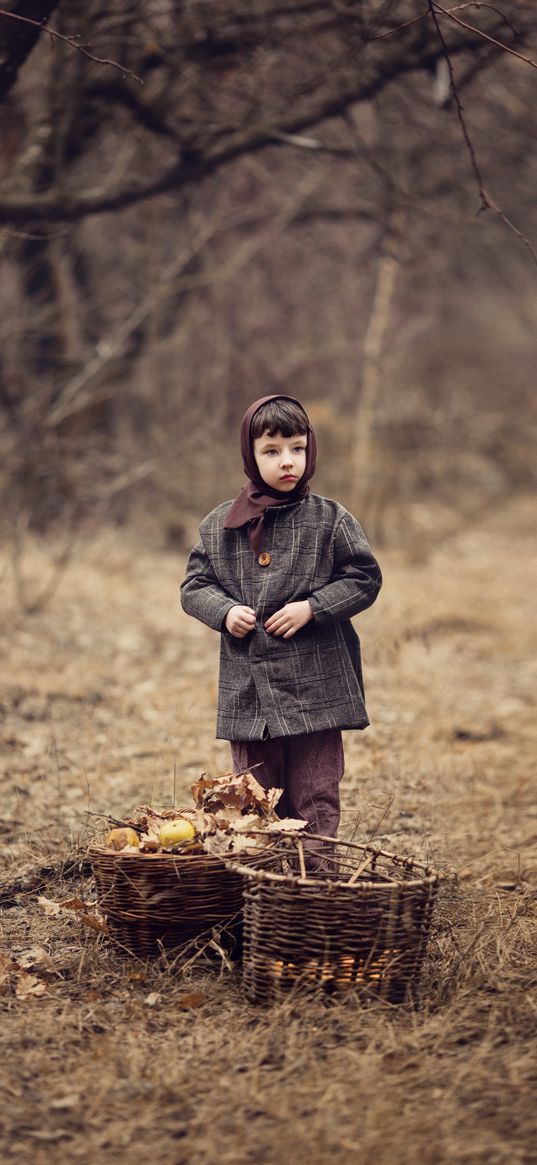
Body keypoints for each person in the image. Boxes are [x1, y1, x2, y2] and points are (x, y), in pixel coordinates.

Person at [180, 394, 382, 846]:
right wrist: (225, 611)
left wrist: (313, 607)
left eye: (297, 448)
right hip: (251, 693)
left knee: (315, 794)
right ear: (250, 457)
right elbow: (194, 586)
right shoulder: (219, 525)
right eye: (271, 452)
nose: (286, 461)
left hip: (318, 685)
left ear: (310, 451)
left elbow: (364, 577)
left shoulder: (330, 519)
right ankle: (265, 888)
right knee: (255, 798)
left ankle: (315, 889)